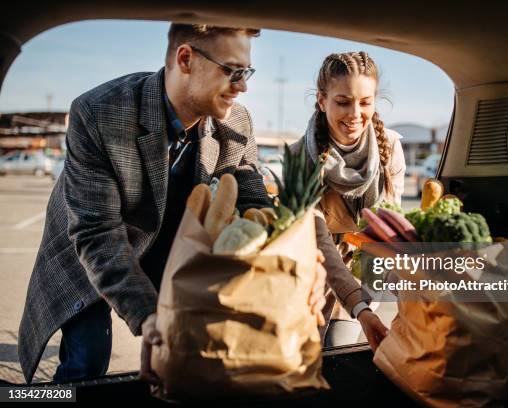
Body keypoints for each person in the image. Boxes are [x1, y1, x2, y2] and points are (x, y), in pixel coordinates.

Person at [18, 23, 326, 385]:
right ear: (185, 60)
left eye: (248, 72)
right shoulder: (98, 113)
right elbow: (97, 233)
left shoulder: (237, 121)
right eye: (234, 71)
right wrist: (149, 316)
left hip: (170, 246)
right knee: (88, 360)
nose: (244, 86)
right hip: (90, 249)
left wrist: (296, 260)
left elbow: (253, 197)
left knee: (186, 345)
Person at [294, 51, 406, 352]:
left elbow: (385, 233)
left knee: (339, 349)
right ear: (321, 100)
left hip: (364, 267)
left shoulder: (391, 148)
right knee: (308, 358)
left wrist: (363, 306)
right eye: (343, 102)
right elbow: (320, 245)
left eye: (365, 102)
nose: (355, 114)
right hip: (315, 269)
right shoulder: (299, 159)